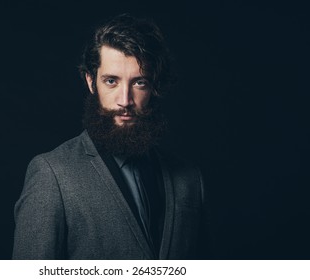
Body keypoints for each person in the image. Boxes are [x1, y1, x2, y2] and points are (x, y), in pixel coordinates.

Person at [12, 13, 207, 260]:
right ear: (91, 82)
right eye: (111, 81)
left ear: (155, 86)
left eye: (139, 83)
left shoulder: (189, 180)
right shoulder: (52, 175)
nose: (125, 100)